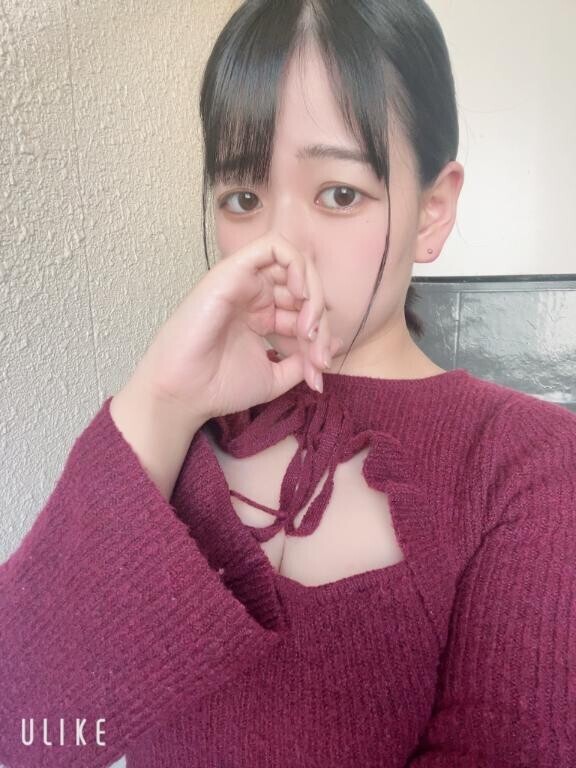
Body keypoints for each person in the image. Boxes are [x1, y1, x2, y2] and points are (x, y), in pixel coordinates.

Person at [1, 1, 575, 766]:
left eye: (339, 194)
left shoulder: (531, 462)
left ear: (432, 213)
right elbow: (23, 730)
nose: (277, 247)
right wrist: (161, 403)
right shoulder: (179, 432)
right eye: (243, 199)